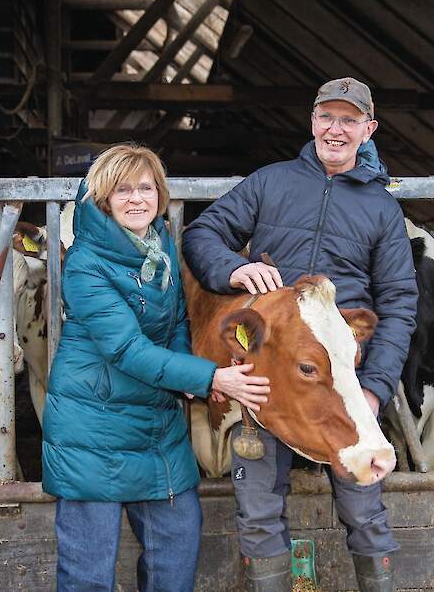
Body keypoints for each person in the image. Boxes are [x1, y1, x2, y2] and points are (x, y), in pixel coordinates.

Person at [182, 78, 418, 592]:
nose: (336, 130)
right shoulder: (271, 182)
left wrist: (374, 387)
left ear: (368, 129)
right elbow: (201, 233)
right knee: (258, 510)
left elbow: (399, 302)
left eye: (349, 120)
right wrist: (233, 271)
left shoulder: (382, 208)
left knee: (364, 507)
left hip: (340, 376)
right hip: (271, 369)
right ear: (312, 121)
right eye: (327, 117)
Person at [42, 144, 271, 592]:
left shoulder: (160, 244)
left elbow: (177, 319)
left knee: (177, 552)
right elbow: (127, 350)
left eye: (145, 188)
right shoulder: (86, 265)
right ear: (102, 197)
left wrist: (188, 375)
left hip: (157, 429)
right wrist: (207, 377)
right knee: (88, 574)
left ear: (160, 195)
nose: (136, 199)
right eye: (122, 189)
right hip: (93, 431)